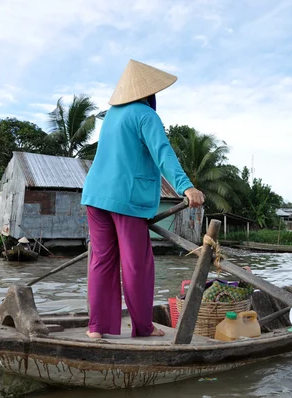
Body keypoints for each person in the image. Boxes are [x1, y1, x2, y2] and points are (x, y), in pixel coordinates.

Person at [81, 60, 205, 339]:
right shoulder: (146, 115)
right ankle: (143, 327)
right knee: (137, 265)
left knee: (101, 261)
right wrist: (186, 187)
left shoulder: (112, 115)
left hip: (95, 195)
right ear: (150, 93)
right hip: (127, 198)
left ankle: (97, 328)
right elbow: (163, 153)